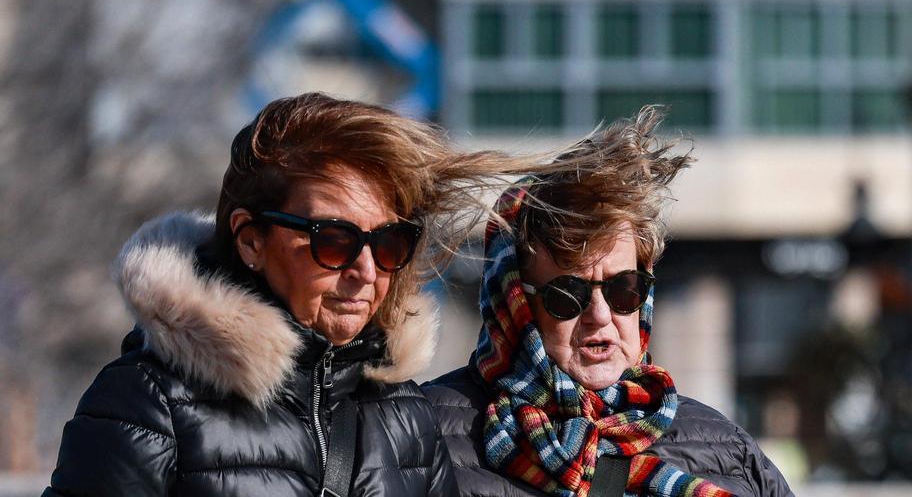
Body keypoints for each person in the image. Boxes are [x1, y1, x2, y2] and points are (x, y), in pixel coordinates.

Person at [44, 92, 512, 496]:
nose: (366, 271)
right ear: (251, 241)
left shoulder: (407, 416)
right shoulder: (146, 403)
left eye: (390, 243)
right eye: (334, 239)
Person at [423, 107, 792, 496]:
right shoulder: (420, 436)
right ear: (516, 306)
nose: (600, 316)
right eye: (568, 295)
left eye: (623, 290)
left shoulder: (727, 449)